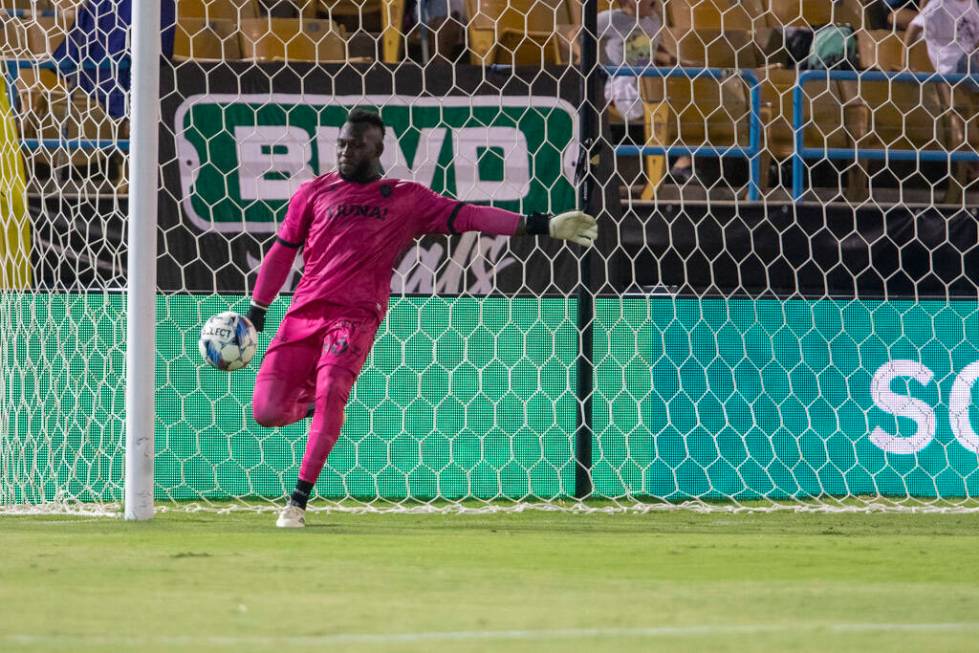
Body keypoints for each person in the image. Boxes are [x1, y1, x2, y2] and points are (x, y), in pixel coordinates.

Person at [245, 109, 598, 528]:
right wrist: (257, 312)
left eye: (356, 144)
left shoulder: (404, 198)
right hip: (303, 313)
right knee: (266, 411)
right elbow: (283, 251)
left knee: (333, 386)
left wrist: (542, 225)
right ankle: (316, 409)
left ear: (377, 148)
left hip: (356, 317)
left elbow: (470, 216)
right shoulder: (312, 193)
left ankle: (297, 502)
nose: (344, 150)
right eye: (341, 143)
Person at [596, 0, 692, 181]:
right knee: (662, 103)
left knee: (681, 91)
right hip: (621, 86)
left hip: (646, 79)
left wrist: (676, 61)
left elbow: (645, 50)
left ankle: (677, 161)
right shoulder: (611, 19)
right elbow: (574, 34)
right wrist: (585, 62)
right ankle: (677, 161)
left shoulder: (652, 19)